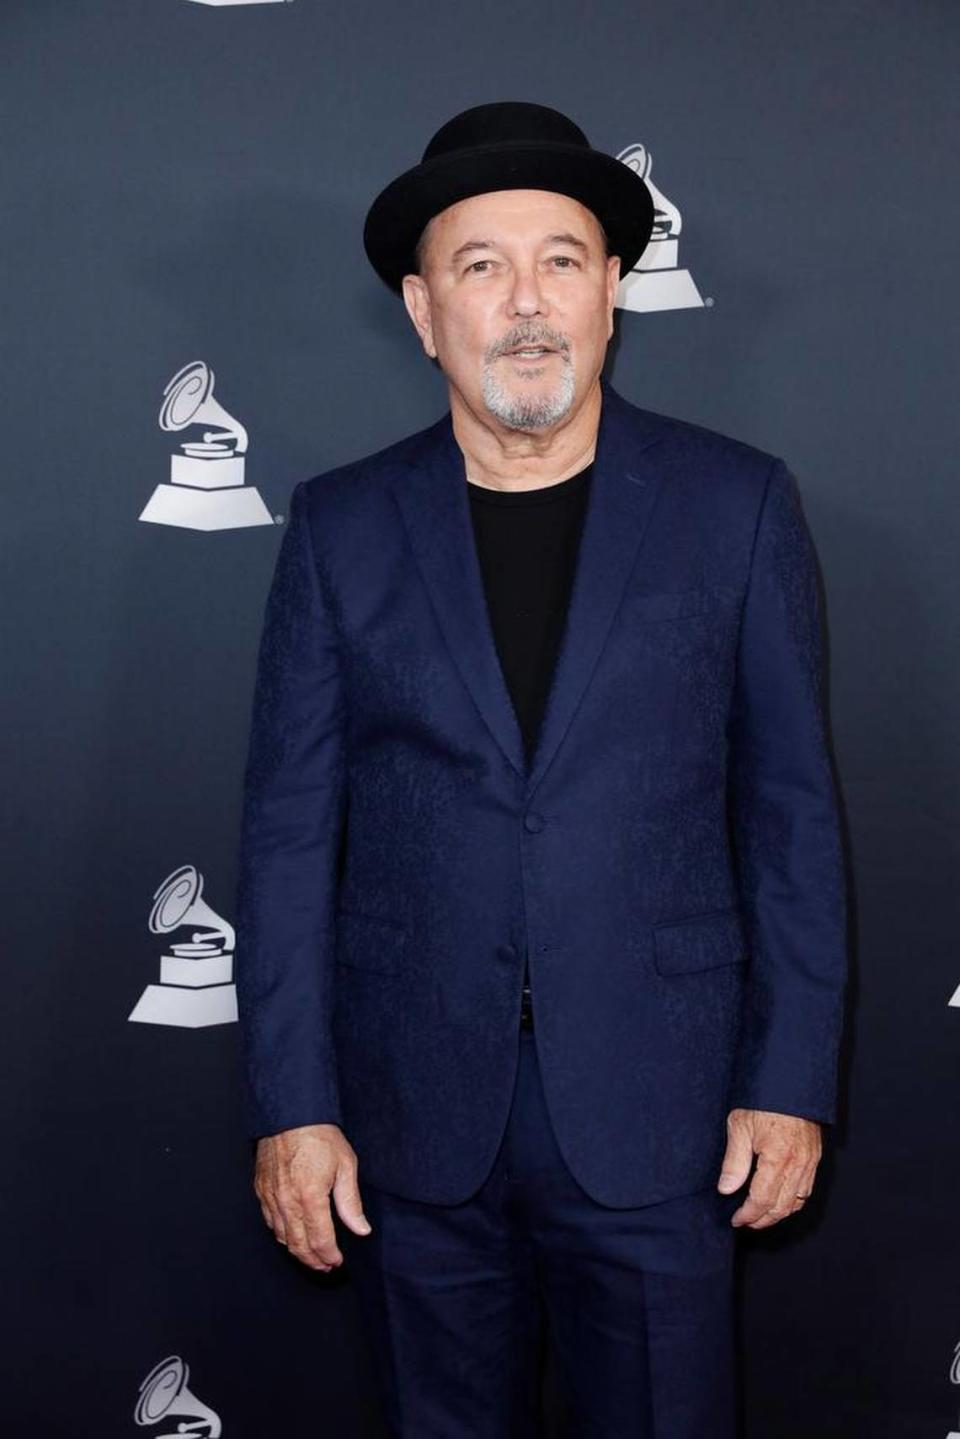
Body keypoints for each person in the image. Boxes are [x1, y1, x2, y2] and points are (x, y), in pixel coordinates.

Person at [234, 101, 848, 1438]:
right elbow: (286, 840)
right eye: (481, 266)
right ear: (420, 309)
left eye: (561, 261)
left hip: (663, 1111)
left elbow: (790, 814)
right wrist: (295, 1105)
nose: (526, 304)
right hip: (412, 1121)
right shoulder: (341, 527)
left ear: (614, 291)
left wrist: (791, 1077)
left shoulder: (734, 506)